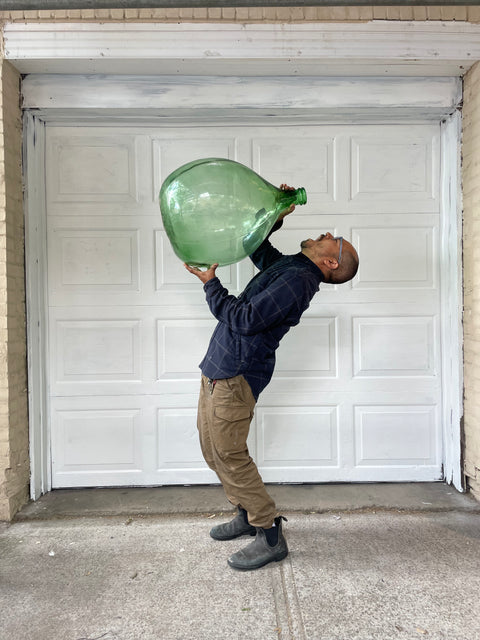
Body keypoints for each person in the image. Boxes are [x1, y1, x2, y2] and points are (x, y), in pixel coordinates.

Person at [184, 185, 359, 571]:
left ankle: (269, 533)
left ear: (331, 263)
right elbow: (257, 248)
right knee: (213, 450)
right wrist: (276, 214)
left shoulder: (299, 282)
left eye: (336, 241)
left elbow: (245, 320)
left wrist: (211, 284)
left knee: (230, 453)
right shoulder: (292, 267)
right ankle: (246, 513)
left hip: (236, 373)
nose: (328, 234)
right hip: (217, 366)